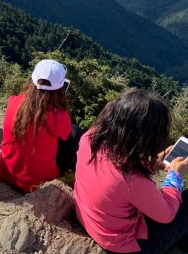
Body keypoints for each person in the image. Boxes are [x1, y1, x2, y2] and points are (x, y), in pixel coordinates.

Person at [75, 89, 188, 254]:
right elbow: (166, 214)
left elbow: (113, 169)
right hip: (122, 246)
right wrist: (176, 176)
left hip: (89, 218)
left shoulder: (90, 138)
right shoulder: (133, 179)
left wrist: (151, 162)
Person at [0, 59, 81, 192]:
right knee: (75, 132)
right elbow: (66, 136)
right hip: (36, 184)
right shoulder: (59, 116)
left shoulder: (13, 101)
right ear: (60, 88)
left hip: (7, 173)